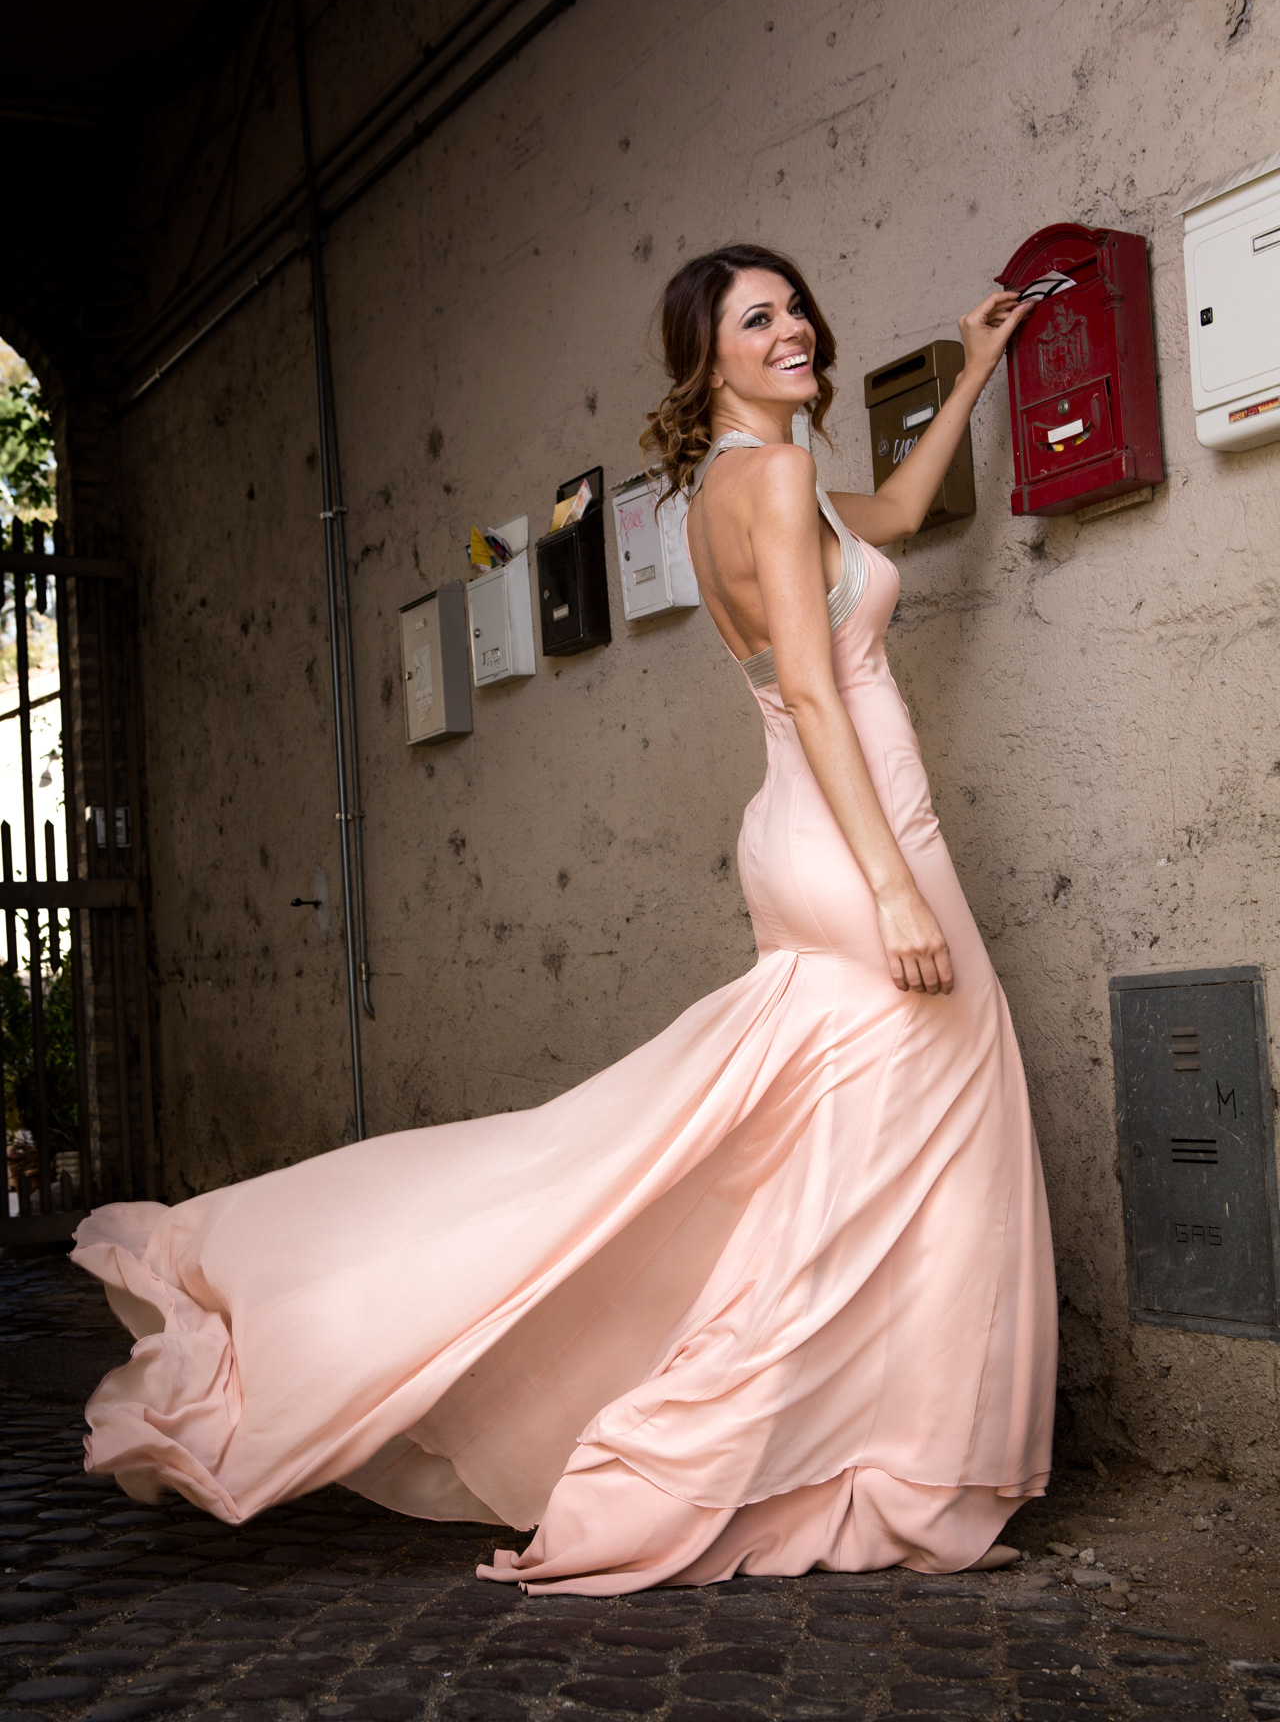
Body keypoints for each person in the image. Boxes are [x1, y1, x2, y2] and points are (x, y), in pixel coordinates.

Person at [72, 242, 1056, 1596]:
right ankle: (813, 1459)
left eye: (796, 309)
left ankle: (870, 1453)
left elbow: (888, 509)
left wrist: (976, 368)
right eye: (757, 318)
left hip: (810, 834)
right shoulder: (768, 482)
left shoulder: (735, 489)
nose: (796, 330)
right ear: (706, 358)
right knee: (918, 1148)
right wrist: (892, 887)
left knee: (850, 1159)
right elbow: (815, 690)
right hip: (861, 840)